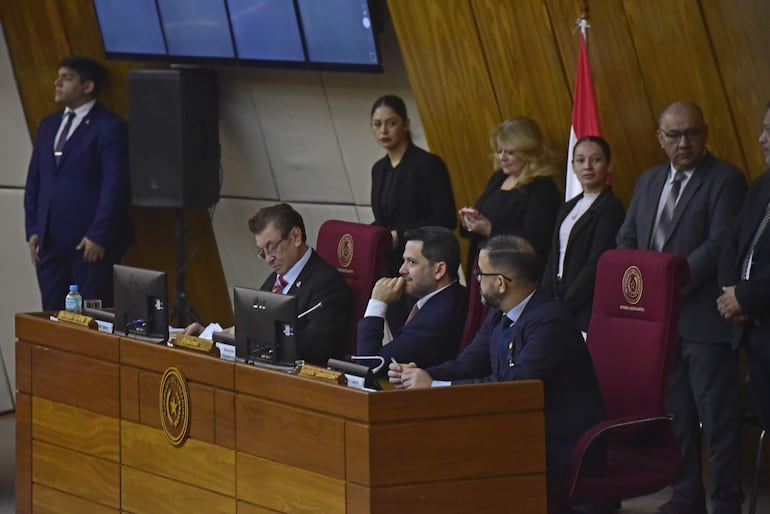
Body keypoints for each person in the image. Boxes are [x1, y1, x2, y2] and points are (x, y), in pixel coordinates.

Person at [388, 235, 606, 507]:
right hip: (516, 433)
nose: (476, 280)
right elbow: (468, 363)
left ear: (500, 283)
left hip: (558, 445)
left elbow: (515, 387)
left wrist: (435, 387)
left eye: (480, 274)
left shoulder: (550, 321)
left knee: (451, 461)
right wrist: (419, 374)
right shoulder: (499, 313)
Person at [616, 101, 746, 514]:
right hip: (658, 322)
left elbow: (721, 241)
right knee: (677, 418)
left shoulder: (726, 178)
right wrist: (643, 289)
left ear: (705, 134)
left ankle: (726, 502)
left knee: (717, 416)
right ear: (660, 139)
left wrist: (667, 282)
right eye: (674, 135)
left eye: (691, 133)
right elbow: (626, 240)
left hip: (703, 318)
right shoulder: (648, 180)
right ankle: (687, 497)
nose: (683, 142)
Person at [24, 56, 134, 310]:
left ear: (88, 86)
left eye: (67, 78)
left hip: (89, 245)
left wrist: (99, 234)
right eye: (58, 76)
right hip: (49, 244)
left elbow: (115, 186)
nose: (57, 83)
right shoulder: (49, 125)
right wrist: (32, 228)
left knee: (90, 320)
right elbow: (35, 180)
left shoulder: (109, 127)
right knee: (51, 317)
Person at [185, 203, 351, 365]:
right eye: (262, 252)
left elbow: (318, 344)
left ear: (295, 237)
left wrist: (261, 336)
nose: (268, 259)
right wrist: (210, 336)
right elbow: (249, 327)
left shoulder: (327, 282)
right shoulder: (274, 280)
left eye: (271, 248)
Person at [369, 94, 457, 330]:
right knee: (398, 331)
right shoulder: (379, 169)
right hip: (391, 265)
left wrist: (401, 234)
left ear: (406, 124)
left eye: (391, 122)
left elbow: (446, 218)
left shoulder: (428, 164)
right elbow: (383, 218)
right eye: (377, 124)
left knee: (421, 333)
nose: (384, 130)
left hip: (424, 265)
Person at [718, 102, 770, 433]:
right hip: (755, 331)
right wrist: (730, 294)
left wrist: (746, 297)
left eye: (769, 131)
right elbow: (732, 242)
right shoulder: (762, 184)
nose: (761, 138)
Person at [459, 117, 562, 282]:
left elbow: (536, 242)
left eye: (510, 152)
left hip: (516, 277)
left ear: (528, 151)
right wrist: (470, 222)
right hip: (483, 271)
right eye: (499, 151)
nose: (502, 158)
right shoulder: (498, 178)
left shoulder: (542, 186)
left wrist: (490, 230)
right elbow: (480, 220)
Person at [542, 136, 625, 332]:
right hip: (557, 297)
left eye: (595, 160)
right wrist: (545, 299)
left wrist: (566, 303)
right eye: (580, 160)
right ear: (572, 166)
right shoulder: (568, 206)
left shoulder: (611, 208)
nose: (587, 166)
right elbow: (554, 255)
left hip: (585, 303)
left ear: (609, 165)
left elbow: (596, 262)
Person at [357, 226, 467, 370]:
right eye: (404, 261)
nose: (402, 270)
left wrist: (377, 303)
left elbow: (369, 363)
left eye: (412, 262)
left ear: (439, 270)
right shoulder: (455, 296)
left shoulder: (436, 319)